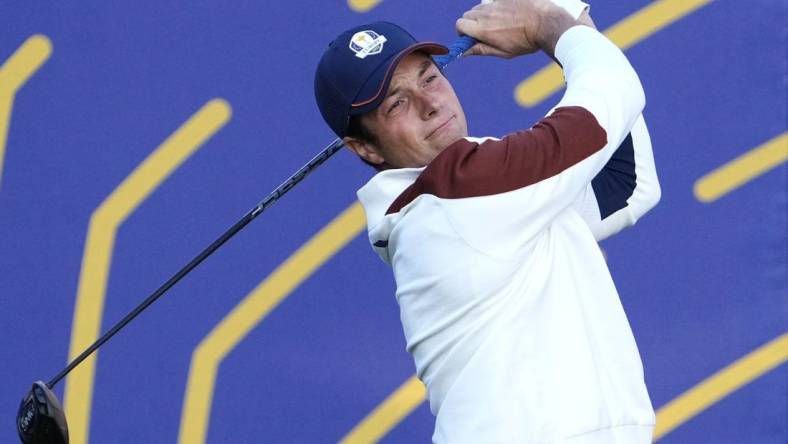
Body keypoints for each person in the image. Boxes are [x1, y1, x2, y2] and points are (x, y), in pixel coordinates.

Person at [314, 0, 661, 442]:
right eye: (397, 104)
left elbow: (624, 184)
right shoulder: (455, 192)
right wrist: (548, 23)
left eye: (431, 78)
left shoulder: (483, 194)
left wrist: (566, 16)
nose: (429, 105)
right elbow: (612, 95)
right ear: (365, 149)